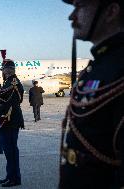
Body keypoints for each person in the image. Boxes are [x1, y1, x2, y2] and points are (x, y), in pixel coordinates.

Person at [60, 0, 124, 188]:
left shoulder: (117, 70)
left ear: (111, 11)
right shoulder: (98, 68)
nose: (72, 16)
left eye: (80, 6)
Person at [0, 59, 24, 187]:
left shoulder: (13, 83)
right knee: (8, 150)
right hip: (7, 121)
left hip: (9, 120)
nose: (3, 72)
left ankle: (15, 178)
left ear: (9, 69)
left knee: (11, 151)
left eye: (4, 70)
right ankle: (10, 175)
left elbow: (9, 104)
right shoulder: (8, 82)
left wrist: (2, 119)